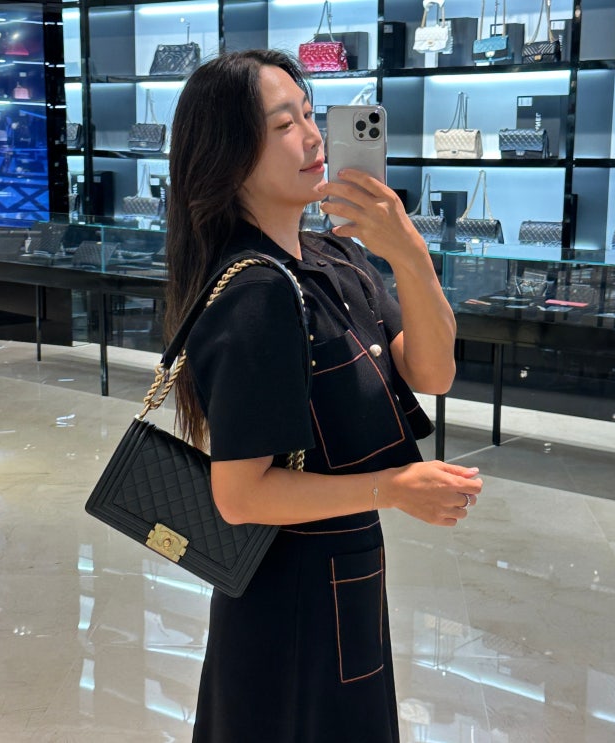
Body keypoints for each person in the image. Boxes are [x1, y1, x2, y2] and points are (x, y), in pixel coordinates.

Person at [164, 49, 483, 743]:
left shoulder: (334, 259)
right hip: (285, 592)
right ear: (229, 155)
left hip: (343, 573)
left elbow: (431, 371)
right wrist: (394, 486)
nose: (313, 136)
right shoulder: (256, 293)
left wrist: (409, 254)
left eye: (310, 115)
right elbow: (239, 495)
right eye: (285, 124)